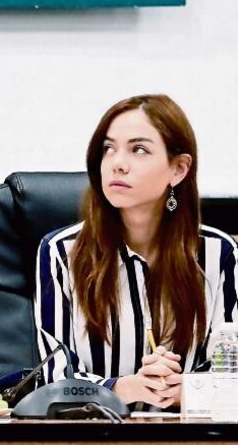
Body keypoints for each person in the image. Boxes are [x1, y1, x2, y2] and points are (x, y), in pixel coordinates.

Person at [35, 94, 237, 408]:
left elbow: (231, 377)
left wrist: (184, 389)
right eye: (108, 149)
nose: (117, 164)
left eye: (138, 149)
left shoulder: (219, 253)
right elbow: (54, 377)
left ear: (179, 169)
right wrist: (125, 388)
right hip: (93, 436)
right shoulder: (62, 252)